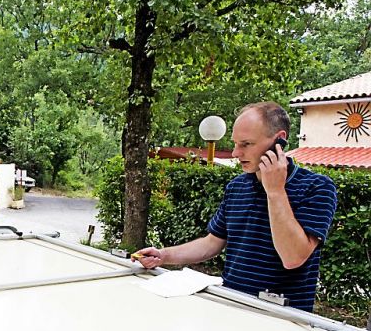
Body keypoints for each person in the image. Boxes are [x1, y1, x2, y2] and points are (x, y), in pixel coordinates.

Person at [134, 102, 337, 312]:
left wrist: (275, 191)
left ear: (279, 141)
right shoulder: (237, 186)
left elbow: (293, 257)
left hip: (283, 319)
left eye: (246, 144)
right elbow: (212, 242)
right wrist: (164, 255)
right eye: (235, 143)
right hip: (231, 306)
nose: (235, 153)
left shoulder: (318, 187)